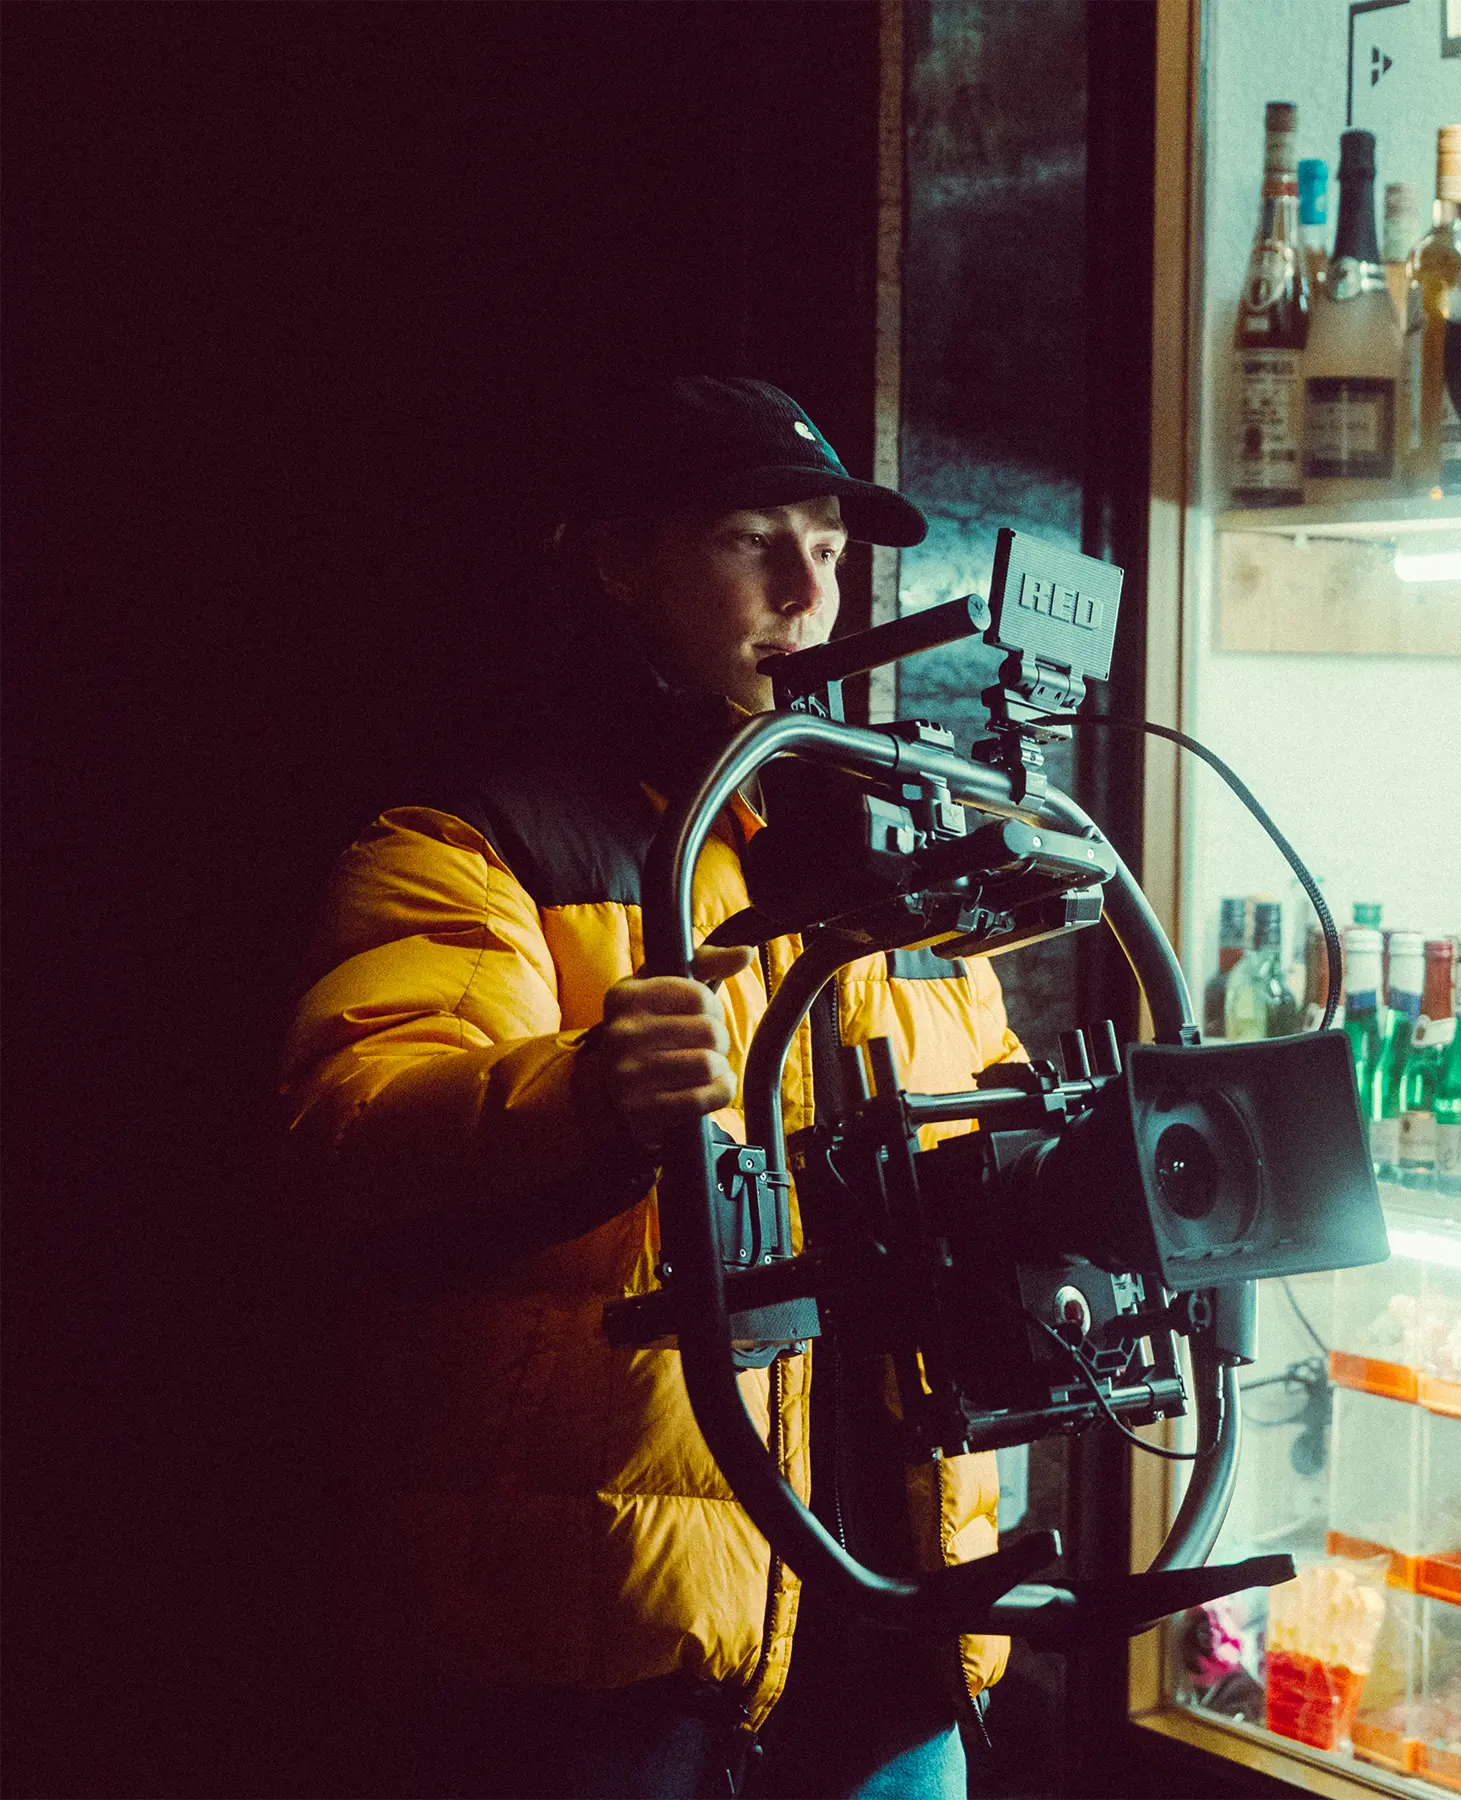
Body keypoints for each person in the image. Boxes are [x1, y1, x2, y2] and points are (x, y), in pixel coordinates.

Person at [279, 378, 1020, 1800]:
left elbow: (975, 1154)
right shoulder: (484, 838)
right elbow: (347, 1135)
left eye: (831, 541)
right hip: (611, 1675)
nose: (811, 588)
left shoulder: (882, 858)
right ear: (621, 562)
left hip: (900, 1649)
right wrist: (583, 1099)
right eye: (756, 538)